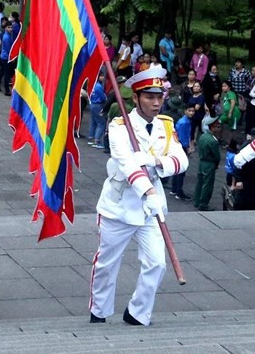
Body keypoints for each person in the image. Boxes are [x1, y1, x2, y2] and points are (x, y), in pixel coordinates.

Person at [90, 67, 188, 327]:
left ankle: (137, 312)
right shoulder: (120, 125)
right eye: (149, 97)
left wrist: (155, 161)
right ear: (135, 98)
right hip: (119, 206)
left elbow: (182, 160)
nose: (156, 103)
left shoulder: (165, 126)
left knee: (157, 263)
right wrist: (150, 190)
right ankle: (99, 312)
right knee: (106, 265)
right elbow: (126, 163)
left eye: (160, 97)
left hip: (149, 211)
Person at [193, 115, 221, 211]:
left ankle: (197, 201)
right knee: (207, 185)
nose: (219, 129)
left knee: (199, 182)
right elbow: (216, 155)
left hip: (201, 162)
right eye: (217, 126)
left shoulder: (202, 136)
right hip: (209, 164)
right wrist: (217, 163)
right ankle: (203, 204)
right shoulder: (213, 141)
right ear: (212, 127)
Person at [171, 104, 195, 200]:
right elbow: (182, 137)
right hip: (181, 147)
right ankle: (178, 191)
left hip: (180, 146)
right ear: (185, 111)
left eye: (193, 111)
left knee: (177, 170)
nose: (191, 113)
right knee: (181, 170)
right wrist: (188, 148)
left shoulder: (185, 121)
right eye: (189, 110)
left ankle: (174, 189)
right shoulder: (184, 122)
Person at [231, 138, 255, 210]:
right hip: (247, 178)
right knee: (243, 202)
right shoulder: (250, 147)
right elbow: (237, 162)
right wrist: (238, 180)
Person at [0, 20, 14, 95]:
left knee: (1, 72)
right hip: (6, 57)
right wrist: (11, 58)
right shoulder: (7, 37)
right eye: (9, 27)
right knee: (6, 74)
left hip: (3, 56)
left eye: (11, 27)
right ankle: (6, 90)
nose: (11, 29)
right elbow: (9, 49)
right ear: (6, 28)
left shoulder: (7, 35)